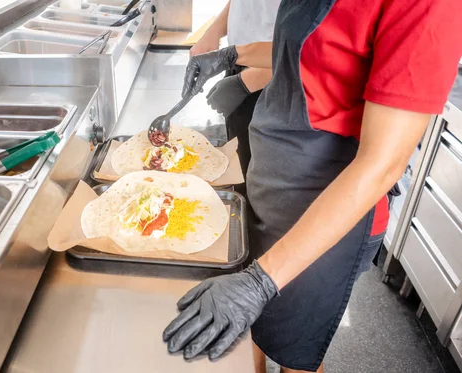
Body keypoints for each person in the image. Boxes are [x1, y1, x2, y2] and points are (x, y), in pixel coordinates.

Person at [162, 0, 462, 372]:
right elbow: (309, 51)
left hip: (327, 218)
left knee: (293, 355)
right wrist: (231, 55)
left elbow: (381, 164)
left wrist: (259, 281)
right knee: (244, 335)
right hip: (268, 188)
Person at [189, 0, 279, 184]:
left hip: (276, 81)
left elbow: (314, 45)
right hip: (241, 64)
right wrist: (212, 34)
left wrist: (245, 82)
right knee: (241, 170)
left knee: (261, 184)